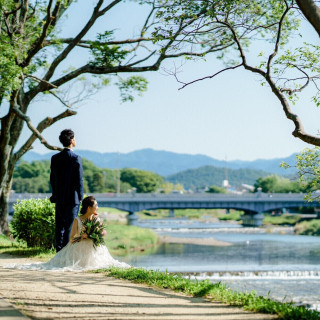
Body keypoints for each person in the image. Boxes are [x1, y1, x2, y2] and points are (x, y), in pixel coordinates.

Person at [7, 196, 130, 271]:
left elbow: (104, 233)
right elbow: (71, 240)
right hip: (79, 248)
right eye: (96, 205)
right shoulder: (78, 220)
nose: (97, 208)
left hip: (94, 248)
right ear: (89, 208)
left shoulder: (97, 219)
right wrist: (82, 236)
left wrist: (100, 233)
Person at [50, 129, 83, 252]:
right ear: (71, 140)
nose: (75, 140)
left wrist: (54, 194)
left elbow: (52, 179)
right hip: (72, 198)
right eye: (74, 138)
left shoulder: (55, 158)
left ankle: (59, 251)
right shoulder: (75, 158)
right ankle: (66, 252)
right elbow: (79, 180)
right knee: (70, 225)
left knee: (59, 225)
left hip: (59, 197)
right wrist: (80, 196)